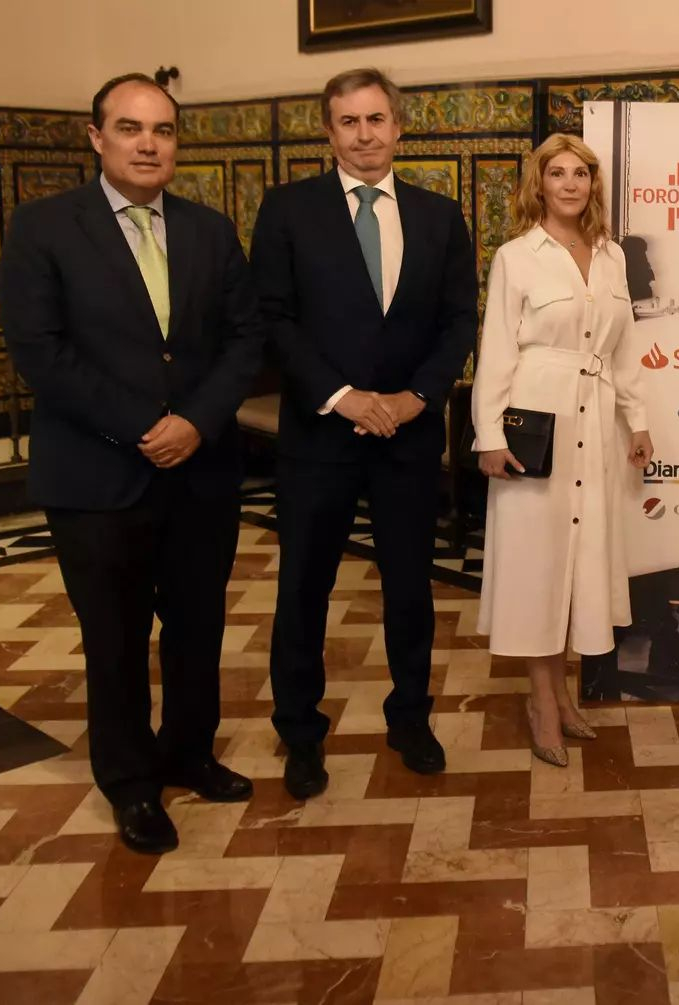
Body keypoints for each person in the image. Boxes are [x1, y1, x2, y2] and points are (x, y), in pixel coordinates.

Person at [0, 73, 264, 854]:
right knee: (113, 638)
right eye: (130, 128)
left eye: (164, 130)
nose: (149, 143)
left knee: (197, 625)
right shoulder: (44, 227)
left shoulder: (211, 231)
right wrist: (148, 425)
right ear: (97, 138)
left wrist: (198, 422)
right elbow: (40, 353)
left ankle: (188, 753)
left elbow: (245, 338)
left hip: (201, 473)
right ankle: (130, 782)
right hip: (95, 477)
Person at [252, 68, 478, 797]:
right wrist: (343, 396)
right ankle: (300, 730)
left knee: (410, 587)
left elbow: (456, 322)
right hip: (320, 436)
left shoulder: (440, 216)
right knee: (304, 590)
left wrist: (418, 397)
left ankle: (410, 715)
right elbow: (273, 319)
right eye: (348, 122)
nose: (364, 134)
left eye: (376, 119)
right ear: (329, 131)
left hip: (407, 439)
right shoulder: (287, 211)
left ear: (399, 127)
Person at [473, 134, 653, 767]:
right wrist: (489, 435)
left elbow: (623, 349)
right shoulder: (516, 258)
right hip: (535, 422)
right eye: (558, 173)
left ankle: (566, 694)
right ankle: (542, 701)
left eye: (582, 173)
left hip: (597, 421)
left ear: (592, 184)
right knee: (538, 566)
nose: (571, 184)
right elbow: (496, 349)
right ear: (540, 183)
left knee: (581, 563)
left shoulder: (610, 257)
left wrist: (638, 420)